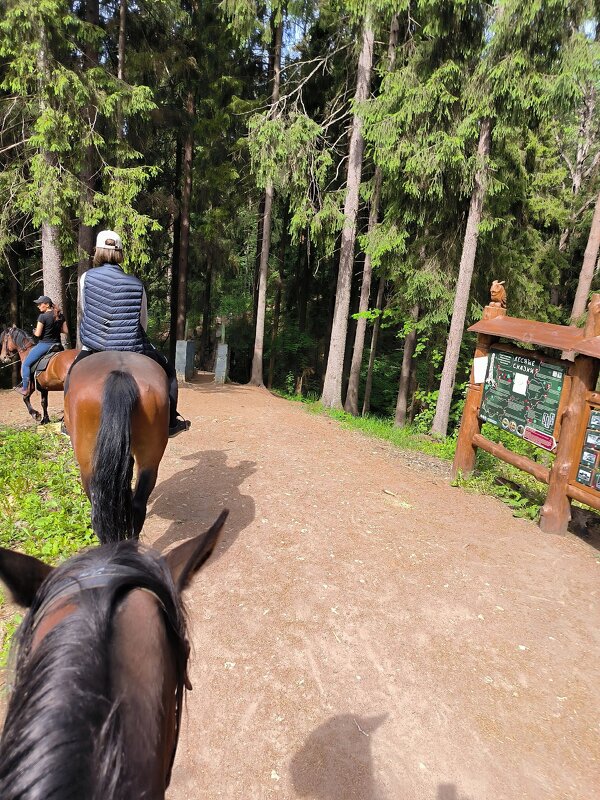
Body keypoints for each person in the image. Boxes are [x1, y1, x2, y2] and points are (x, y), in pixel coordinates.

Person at [68, 230, 190, 437]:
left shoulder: (86, 278)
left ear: (97, 251)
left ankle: (68, 420)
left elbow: (85, 309)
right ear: (120, 253)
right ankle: (170, 422)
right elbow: (142, 320)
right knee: (169, 373)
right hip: (131, 346)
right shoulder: (136, 284)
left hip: (94, 345)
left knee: (71, 375)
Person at [14, 296, 67, 396]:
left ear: (47, 305)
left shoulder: (42, 317)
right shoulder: (60, 315)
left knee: (25, 364)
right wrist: (54, 329)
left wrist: (34, 331)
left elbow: (38, 334)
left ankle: (25, 388)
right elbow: (66, 331)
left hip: (45, 345)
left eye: (40, 304)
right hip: (58, 345)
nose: (38, 306)